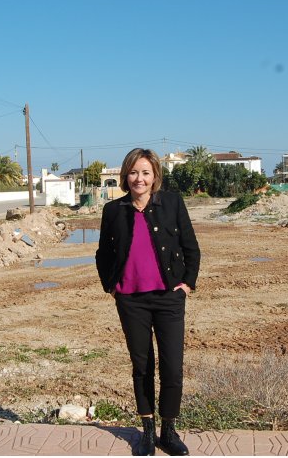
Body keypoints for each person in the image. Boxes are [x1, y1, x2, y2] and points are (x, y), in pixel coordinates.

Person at [96, 148, 200, 456]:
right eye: (133, 172)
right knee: (142, 366)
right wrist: (112, 288)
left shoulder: (171, 203)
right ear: (125, 176)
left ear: (154, 176)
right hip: (131, 301)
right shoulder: (113, 210)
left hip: (169, 298)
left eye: (145, 173)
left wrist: (187, 285)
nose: (139, 178)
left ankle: (168, 431)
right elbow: (103, 254)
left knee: (172, 366)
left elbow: (191, 246)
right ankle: (146, 432)